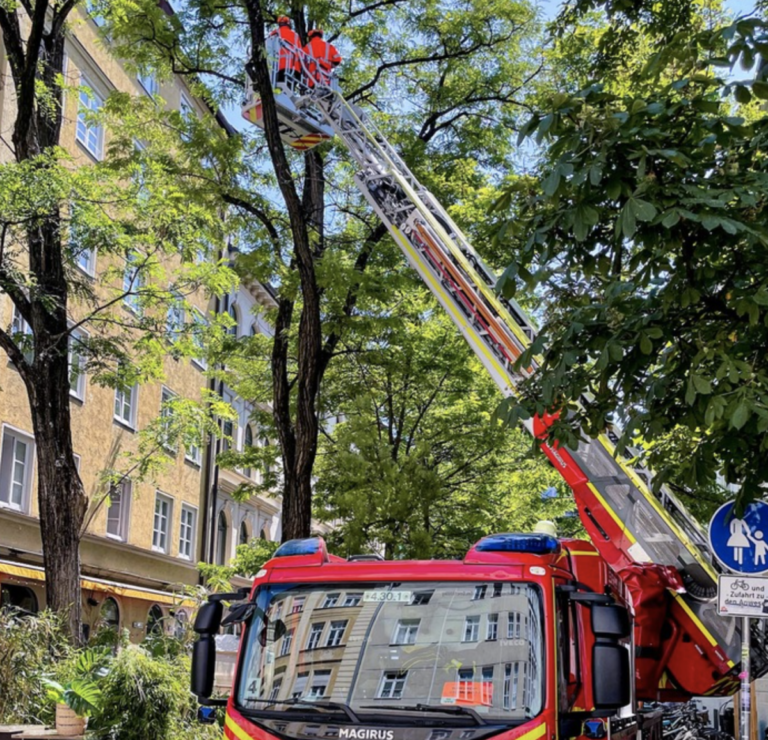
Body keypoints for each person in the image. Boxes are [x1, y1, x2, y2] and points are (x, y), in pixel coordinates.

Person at [269, 16, 301, 88]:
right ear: (289, 24)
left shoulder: (275, 33)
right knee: (288, 91)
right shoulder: (295, 35)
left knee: (278, 89)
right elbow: (300, 54)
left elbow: (269, 49)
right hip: (294, 69)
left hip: (278, 68)